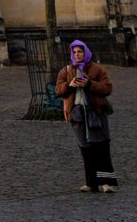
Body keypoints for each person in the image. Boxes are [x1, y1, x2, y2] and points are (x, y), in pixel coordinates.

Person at [54, 39, 116, 193]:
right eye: (74, 52)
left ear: (85, 52)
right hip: (77, 113)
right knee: (85, 148)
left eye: (80, 51)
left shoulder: (97, 69)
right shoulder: (66, 71)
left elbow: (107, 88)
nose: (77, 54)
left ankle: (107, 182)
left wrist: (89, 84)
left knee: (101, 146)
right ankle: (91, 183)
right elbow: (58, 90)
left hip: (95, 112)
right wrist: (70, 85)